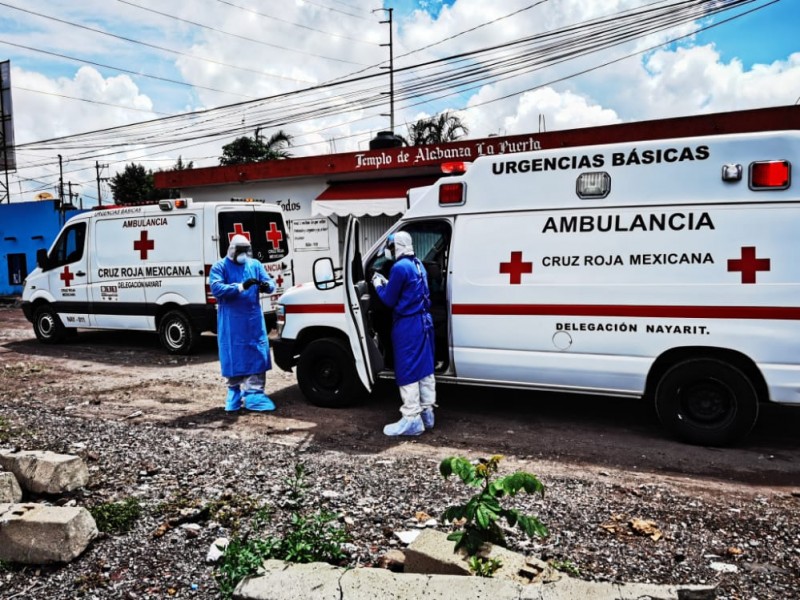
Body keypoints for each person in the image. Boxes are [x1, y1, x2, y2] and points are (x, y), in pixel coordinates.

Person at [372, 231, 437, 436]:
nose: (389, 251)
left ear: (397, 246)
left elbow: (389, 300)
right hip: (424, 322)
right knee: (425, 369)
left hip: (407, 325)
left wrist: (378, 283)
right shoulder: (418, 264)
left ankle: (411, 419)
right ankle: (428, 413)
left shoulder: (400, 267)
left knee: (407, 370)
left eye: (390, 247)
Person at [210, 234, 277, 413]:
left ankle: (254, 394)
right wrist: (241, 286)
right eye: (240, 251)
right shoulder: (220, 267)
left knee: (256, 352)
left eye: (246, 250)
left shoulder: (254, 265)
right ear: (232, 250)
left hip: (253, 320)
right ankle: (234, 393)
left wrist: (267, 286)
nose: (243, 254)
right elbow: (217, 289)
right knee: (234, 354)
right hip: (232, 322)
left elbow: (271, 282)